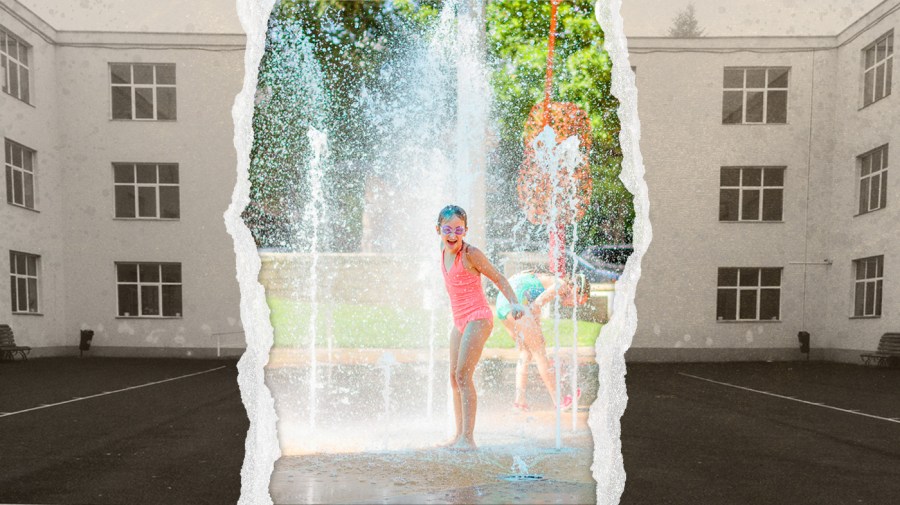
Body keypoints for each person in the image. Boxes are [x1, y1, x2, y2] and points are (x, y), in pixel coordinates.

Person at [436, 204, 525, 451]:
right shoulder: (442, 250)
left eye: (458, 229)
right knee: (454, 379)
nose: (452, 234)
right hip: (459, 320)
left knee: (464, 375)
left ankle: (469, 438)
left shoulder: (471, 254)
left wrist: (515, 303)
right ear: (438, 230)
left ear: (465, 230)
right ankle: (458, 435)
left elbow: (498, 277)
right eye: (447, 229)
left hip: (478, 317)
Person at [495, 270, 589, 412]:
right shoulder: (562, 285)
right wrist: (538, 337)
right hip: (515, 304)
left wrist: (536, 331)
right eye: (578, 300)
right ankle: (560, 402)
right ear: (575, 289)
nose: (574, 305)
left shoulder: (546, 279)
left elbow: (532, 304)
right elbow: (536, 305)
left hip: (502, 305)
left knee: (525, 353)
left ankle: (519, 403)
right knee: (540, 353)